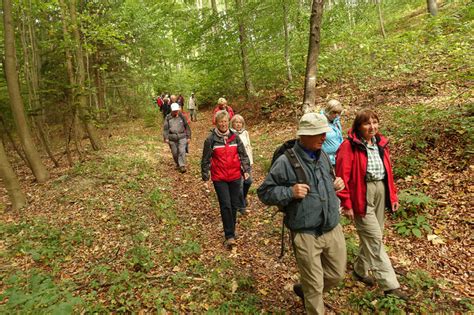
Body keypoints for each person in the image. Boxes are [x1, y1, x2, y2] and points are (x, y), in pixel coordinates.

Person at [258, 113, 346, 314]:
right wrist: (289, 192)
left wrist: (336, 184)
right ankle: (312, 299)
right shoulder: (285, 161)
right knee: (315, 284)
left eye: (324, 132)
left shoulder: (323, 155)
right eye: (318, 133)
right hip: (306, 232)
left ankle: (304, 289)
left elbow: (326, 181)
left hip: (332, 226)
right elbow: (264, 192)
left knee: (336, 275)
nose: (324, 137)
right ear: (303, 135)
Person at [335, 109, 408, 300]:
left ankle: (359, 270)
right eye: (367, 123)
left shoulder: (380, 144)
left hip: (380, 191)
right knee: (374, 238)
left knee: (375, 235)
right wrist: (347, 203)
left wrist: (392, 197)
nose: (372, 127)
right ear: (358, 126)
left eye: (375, 122)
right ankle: (390, 285)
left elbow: (388, 172)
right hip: (361, 193)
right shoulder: (349, 146)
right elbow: (342, 176)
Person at [201, 110, 250, 249]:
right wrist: (205, 174)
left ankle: (231, 231)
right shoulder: (211, 139)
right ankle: (229, 235)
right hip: (219, 177)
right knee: (226, 205)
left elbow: (243, 155)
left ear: (228, 122)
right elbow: (205, 159)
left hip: (235, 176)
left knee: (234, 205)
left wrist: (246, 170)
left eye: (225, 121)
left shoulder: (235, 137)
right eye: (220, 121)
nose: (223, 124)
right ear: (216, 123)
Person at [230, 114, 253, 215]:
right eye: (236, 122)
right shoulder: (230, 134)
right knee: (239, 185)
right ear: (232, 123)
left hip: (246, 162)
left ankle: (243, 197)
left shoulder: (245, 133)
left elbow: (248, 146)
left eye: (240, 122)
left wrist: (251, 161)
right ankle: (241, 206)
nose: (238, 124)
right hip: (236, 162)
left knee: (248, 181)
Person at [163, 103, 191, 173]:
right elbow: (165, 129)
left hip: (182, 137)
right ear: (171, 110)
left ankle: (182, 166)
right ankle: (178, 164)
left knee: (182, 151)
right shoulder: (168, 117)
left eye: (177, 110)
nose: (176, 112)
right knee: (175, 153)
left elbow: (187, 126)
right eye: (174, 111)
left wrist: (188, 136)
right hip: (172, 138)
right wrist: (166, 137)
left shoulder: (182, 116)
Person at [321, 99, 343, 166]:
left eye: (339, 112)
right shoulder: (321, 121)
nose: (336, 115)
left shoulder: (336, 122)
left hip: (338, 159)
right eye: (334, 112)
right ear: (328, 110)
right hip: (325, 160)